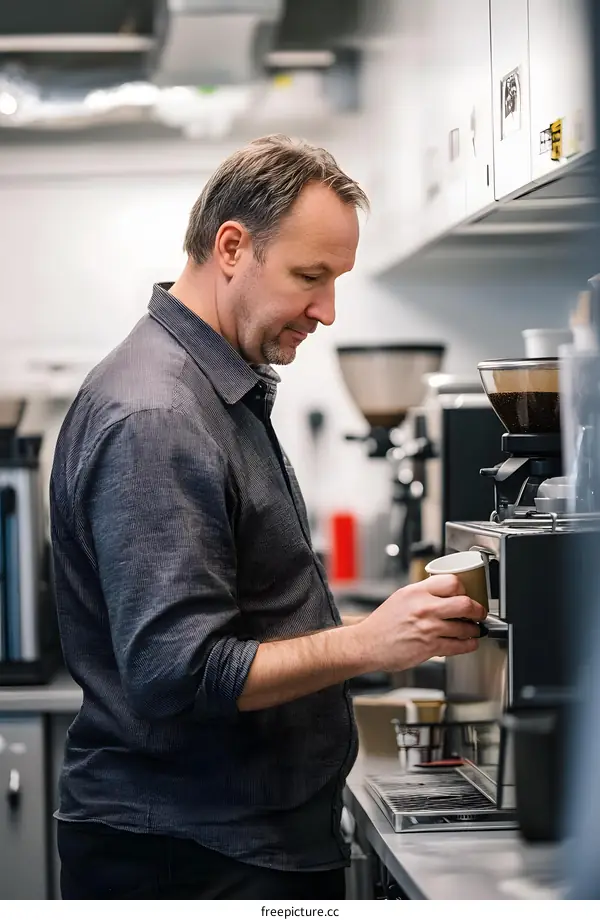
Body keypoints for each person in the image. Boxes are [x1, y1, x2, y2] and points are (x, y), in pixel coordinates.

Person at [50, 134, 486, 900]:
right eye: (309, 277)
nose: (326, 310)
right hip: (193, 858)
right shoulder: (158, 414)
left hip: (235, 840)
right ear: (231, 247)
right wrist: (367, 642)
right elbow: (179, 677)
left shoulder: (212, 387)